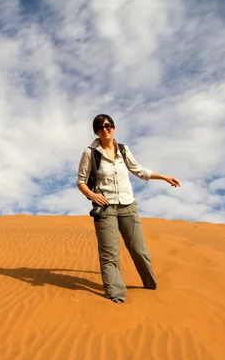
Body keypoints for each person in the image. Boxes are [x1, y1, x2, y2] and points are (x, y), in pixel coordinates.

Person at [76, 114, 181, 303]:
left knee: (138, 249)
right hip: (105, 208)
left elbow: (139, 171)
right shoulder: (90, 153)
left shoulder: (123, 150)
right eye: (99, 128)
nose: (104, 129)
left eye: (107, 125)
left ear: (113, 127)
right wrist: (92, 195)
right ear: (96, 132)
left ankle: (150, 284)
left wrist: (164, 177)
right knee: (110, 253)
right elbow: (81, 182)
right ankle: (115, 294)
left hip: (128, 206)